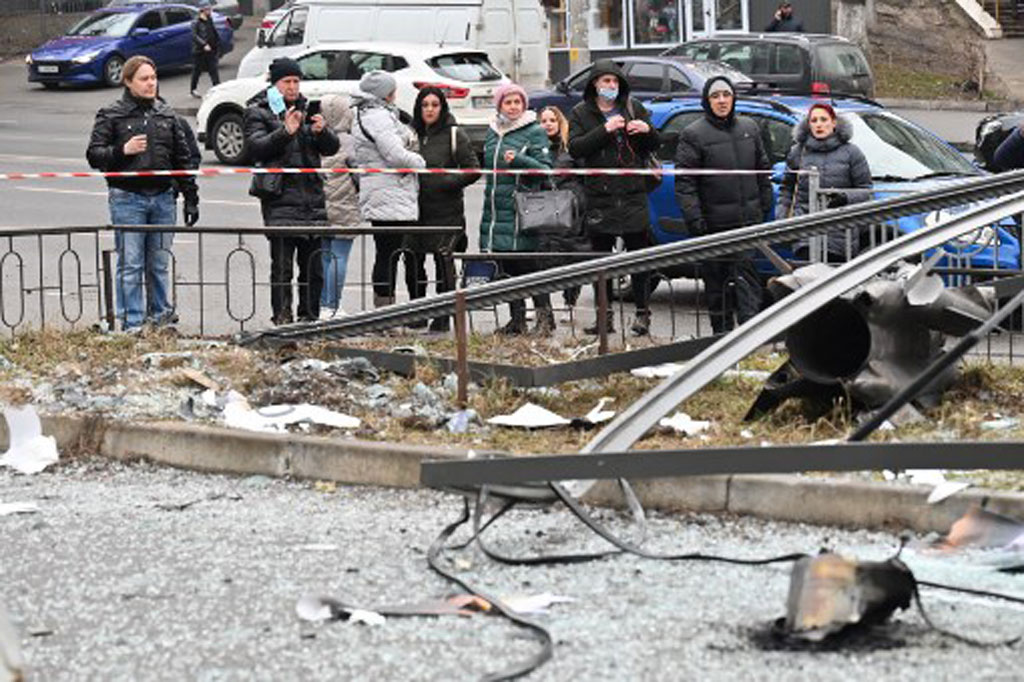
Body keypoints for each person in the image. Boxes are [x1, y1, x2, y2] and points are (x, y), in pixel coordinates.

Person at [87, 55, 199, 333]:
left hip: (162, 197)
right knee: (131, 263)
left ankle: (161, 318)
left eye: (153, 77)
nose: (151, 83)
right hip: (128, 197)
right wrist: (121, 151)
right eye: (144, 79)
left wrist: (191, 197)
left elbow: (183, 159)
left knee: (159, 262)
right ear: (128, 82)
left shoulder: (166, 113)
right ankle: (132, 322)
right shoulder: (111, 113)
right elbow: (94, 155)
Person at [244, 57, 340, 325]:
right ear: (274, 84)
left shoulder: (306, 107)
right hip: (281, 201)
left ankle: (309, 318)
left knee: (314, 270)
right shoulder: (258, 111)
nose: (293, 86)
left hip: (312, 201)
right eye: (287, 81)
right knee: (282, 268)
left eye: (296, 81)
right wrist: (285, 132)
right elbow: (255, 147)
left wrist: (323, 132)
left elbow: (331, 148)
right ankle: (282, 320)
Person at [568, 60, 660, 336]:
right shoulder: (581, 113)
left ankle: (643, 315)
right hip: (600, 196)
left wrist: (647, 131)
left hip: (632, 194)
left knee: (639, 259)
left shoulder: (634, 107)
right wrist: (604, 130)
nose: (610, 86)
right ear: (595, 84)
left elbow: (655, 144)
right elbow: (575, 148)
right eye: (605, 81)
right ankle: (603, 317)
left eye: (615, 82)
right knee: (601, 260)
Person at [674, 76, 772, 335]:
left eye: (726, 95)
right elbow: (685, 184)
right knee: (717, 288)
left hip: (747, 224)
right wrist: (696, 221)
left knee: (747, 283)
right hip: (713, 226)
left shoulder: (749, 127)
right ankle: (720, 339)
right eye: (715, 96)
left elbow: (762, 171)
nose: (721, 101)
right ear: (707, 101)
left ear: (733, 98)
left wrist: (764, 206)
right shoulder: (693, 134)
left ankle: (750, 338)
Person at [479, 83, 554, 336]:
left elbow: (545, 170)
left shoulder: (534, 131)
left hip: (523, 210)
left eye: (517, 102)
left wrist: (520, 161)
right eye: (508, 102)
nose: (513, 107)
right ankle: (517, 320)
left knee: (529, 269)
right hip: (496, 212)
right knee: (507, 269)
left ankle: (545, 320)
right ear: (499, 105)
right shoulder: (492, 133)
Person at [351, 70, 426, 310]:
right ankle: (385, 312)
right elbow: (394, 154)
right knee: (389, 255)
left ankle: (385, 309)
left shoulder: (372, 113)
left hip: (387, 192)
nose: (395, 95)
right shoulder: (378, 117)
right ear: (383, 94)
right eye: (392, 91)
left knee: (389, 253)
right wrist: (419, 162)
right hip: (389, 192)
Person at [410, 86, 481, 332]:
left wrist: (446, 182)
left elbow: (473, 169)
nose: (429, 110)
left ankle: (443, 314)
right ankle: (416, 311)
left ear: (442, 107)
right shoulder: (410, 134)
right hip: (415, 212)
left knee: (443, 264)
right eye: (425, 105)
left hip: (446, 211)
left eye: (434, 105)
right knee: (413, 263)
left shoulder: (454, 135)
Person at [777, 102, 872, 260]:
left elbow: (866, 190)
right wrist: (784, 218)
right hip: (805, 233)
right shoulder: (797, 152)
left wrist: (845, 197)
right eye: (814, 121)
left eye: (823, 119)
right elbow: (787, 189)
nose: (819, 125)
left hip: (840, 233)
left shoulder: (852, 152)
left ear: (833, 123)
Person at [538, 105, 587, 313]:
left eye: (552, 120)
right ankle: (544, 307)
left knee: (571, 254)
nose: (548, 124)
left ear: (560, 123)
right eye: (544, 121)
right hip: (544, 208)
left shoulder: (571, 148)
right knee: (544, 255)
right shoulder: (535, 148)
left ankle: (570, 300)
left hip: (570, 206)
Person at [318, 94, 359, 320]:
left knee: (325, 256)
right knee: (340, 255)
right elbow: (359, 173)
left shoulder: (318, 138)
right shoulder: (350, 142)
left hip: (321, 205)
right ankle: (333, 305)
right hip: (345, 204)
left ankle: (323, 303)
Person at [190, 0, 221, 98]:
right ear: (202, 10)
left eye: (210, 8)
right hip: (200, 52)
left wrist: (218, 42)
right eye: (208, 9)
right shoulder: (196, 22)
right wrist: (204, 45)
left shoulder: (209, 19)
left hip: (211, 50)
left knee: (213, 70)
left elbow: (212, 31)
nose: (210, 11)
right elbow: (194, 36)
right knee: (197, 71)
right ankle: (193, 89)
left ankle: (218, 88)